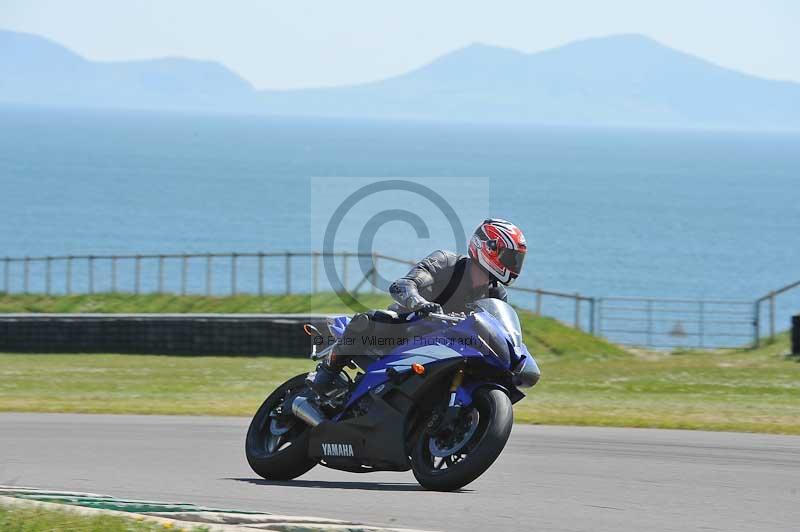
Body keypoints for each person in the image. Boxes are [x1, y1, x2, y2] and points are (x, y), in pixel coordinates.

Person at [309, 218, 527, 398]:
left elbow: (497, 330)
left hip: (450, 347)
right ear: (487, 247)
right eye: (509, 257)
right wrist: (419, 303)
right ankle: (327, 374)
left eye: (517, 260)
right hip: (407, 328)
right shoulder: (446, 263)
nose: (514, 265)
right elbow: (404, 285)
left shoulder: (497, 295)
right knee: (368, 321)